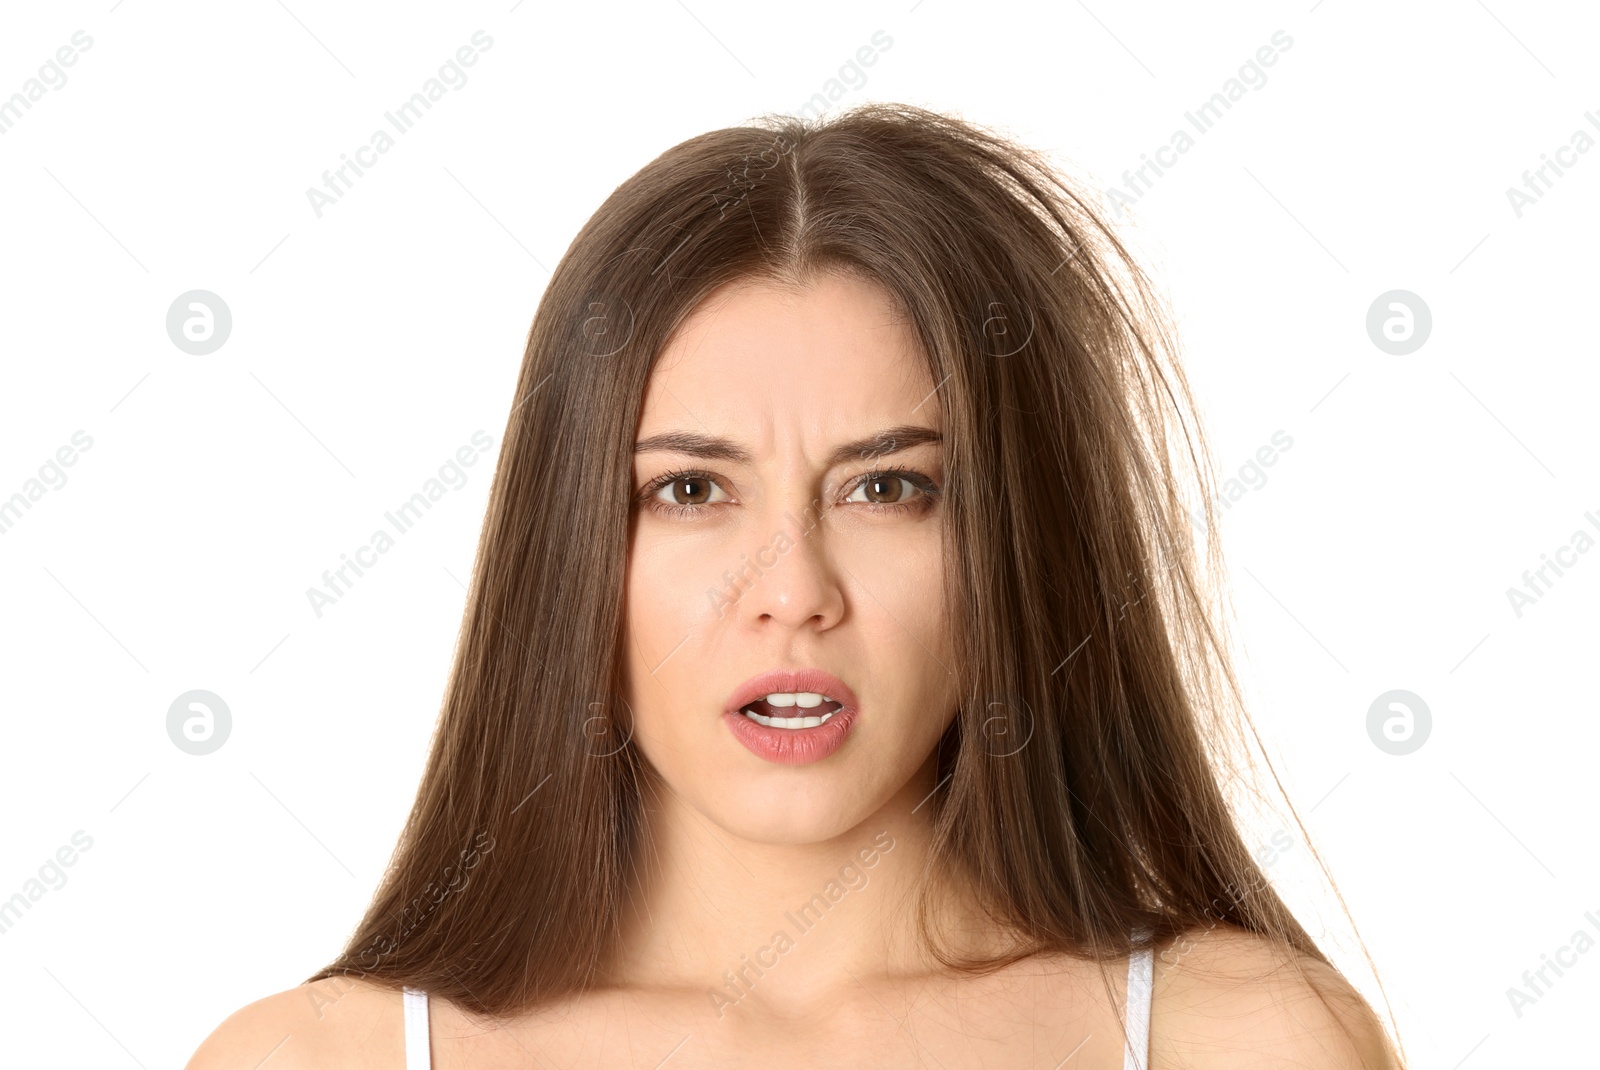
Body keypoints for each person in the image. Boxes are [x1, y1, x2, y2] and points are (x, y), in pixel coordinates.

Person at [186, 102, 1402, 1068]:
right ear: (567, 554)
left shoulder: (1246, 1045)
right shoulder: (312, 1059)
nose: (793, 591)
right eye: (691, 492)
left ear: (1013, 547)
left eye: (887, 489)